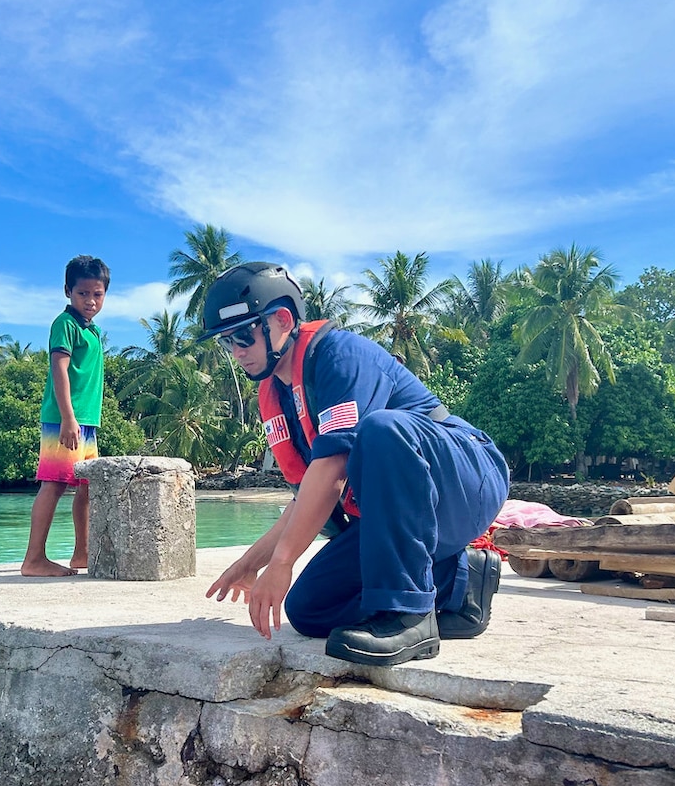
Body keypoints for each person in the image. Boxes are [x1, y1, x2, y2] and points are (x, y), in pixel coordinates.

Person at [201, 262, 509, 667]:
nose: (238, 351)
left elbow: (332, 469)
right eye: (227, 342)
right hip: (410, 516)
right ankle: (459, 584)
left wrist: (282, 563)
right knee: (310, 608)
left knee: (381, 429)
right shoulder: (281, 394)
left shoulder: (339, 356)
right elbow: (307, 498)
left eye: (244, 335)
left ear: (281, 320)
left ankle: (410, 616)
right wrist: (249, 565)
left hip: (466, 477)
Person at [21, 255, 109, 577]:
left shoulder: (93, 331)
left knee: (87, 486)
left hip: (86, 422)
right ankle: (33, 559)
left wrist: (82, 420)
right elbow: (59, 371)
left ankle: (82, 554)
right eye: (83, 293)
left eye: (97, 294)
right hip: (65, 420)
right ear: (68, 291)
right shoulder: (65, 325)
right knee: (54, 485)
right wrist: (68, 418)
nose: (90, 300)